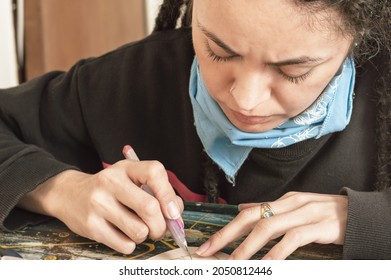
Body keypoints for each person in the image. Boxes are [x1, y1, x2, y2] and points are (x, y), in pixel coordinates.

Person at [0, 0, 390, 260]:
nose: (245, 99)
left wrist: (367, 220)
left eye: (294, 71)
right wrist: (58, 189)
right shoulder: (125, 83)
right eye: (219, 50)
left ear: (358, 37)